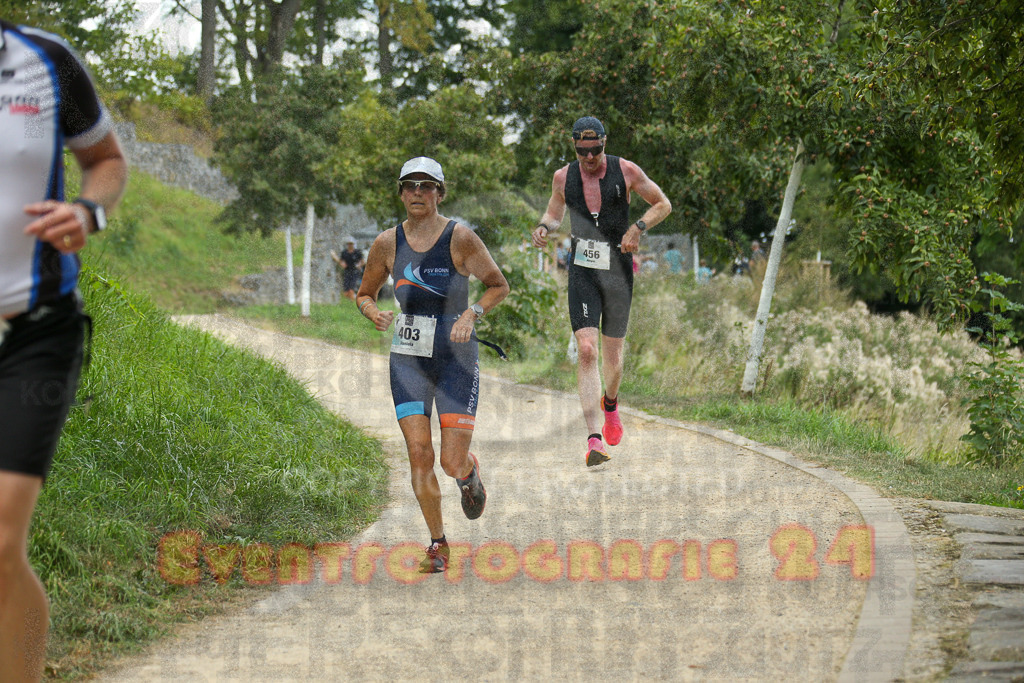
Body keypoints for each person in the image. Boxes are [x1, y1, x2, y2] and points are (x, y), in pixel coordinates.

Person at [0, 18, 128, 682]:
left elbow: (105, 161)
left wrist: (87, 212)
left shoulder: (47, 60)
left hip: (35, 331)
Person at [356, 157, 509, 573]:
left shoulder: (459, 237)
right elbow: (364, 292)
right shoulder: (387, 243)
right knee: (419, 453)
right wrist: (373, 313)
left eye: (427, 186)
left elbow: (498, 285)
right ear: (401, 192)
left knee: (448, 461)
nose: (418, 193)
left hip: (456, 358)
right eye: (410, 186)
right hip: (408, 358)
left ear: (441, 192)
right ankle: (438, 543)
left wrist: (471, 313)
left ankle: (468, 472)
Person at [530, 116, 671, 466]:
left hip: (618, 269)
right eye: (582, 152)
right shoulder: (563, 177)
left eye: (595, 151)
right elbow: (554, 212)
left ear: (604, 144)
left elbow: (663, 204)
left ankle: (611, 403)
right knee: (587, 350)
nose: (589, 158)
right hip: (582, 269)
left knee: (613, 359)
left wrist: (638, 227)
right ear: (573, 146)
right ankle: (594, 439)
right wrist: (544, 227)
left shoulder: (626, 171)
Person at [331, 236, 364, 301]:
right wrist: (341, 263)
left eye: (351, 244)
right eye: (349, 244)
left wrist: (359, 265)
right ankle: (349, 301)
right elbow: (341, 261)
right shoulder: (344, 253)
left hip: (354, 271)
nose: (350, 245)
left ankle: (353, 301)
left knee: (351, 289)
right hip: (347, 271)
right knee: (346, 291)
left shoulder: (357, 252)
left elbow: (362, 261)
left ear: (353, 244)